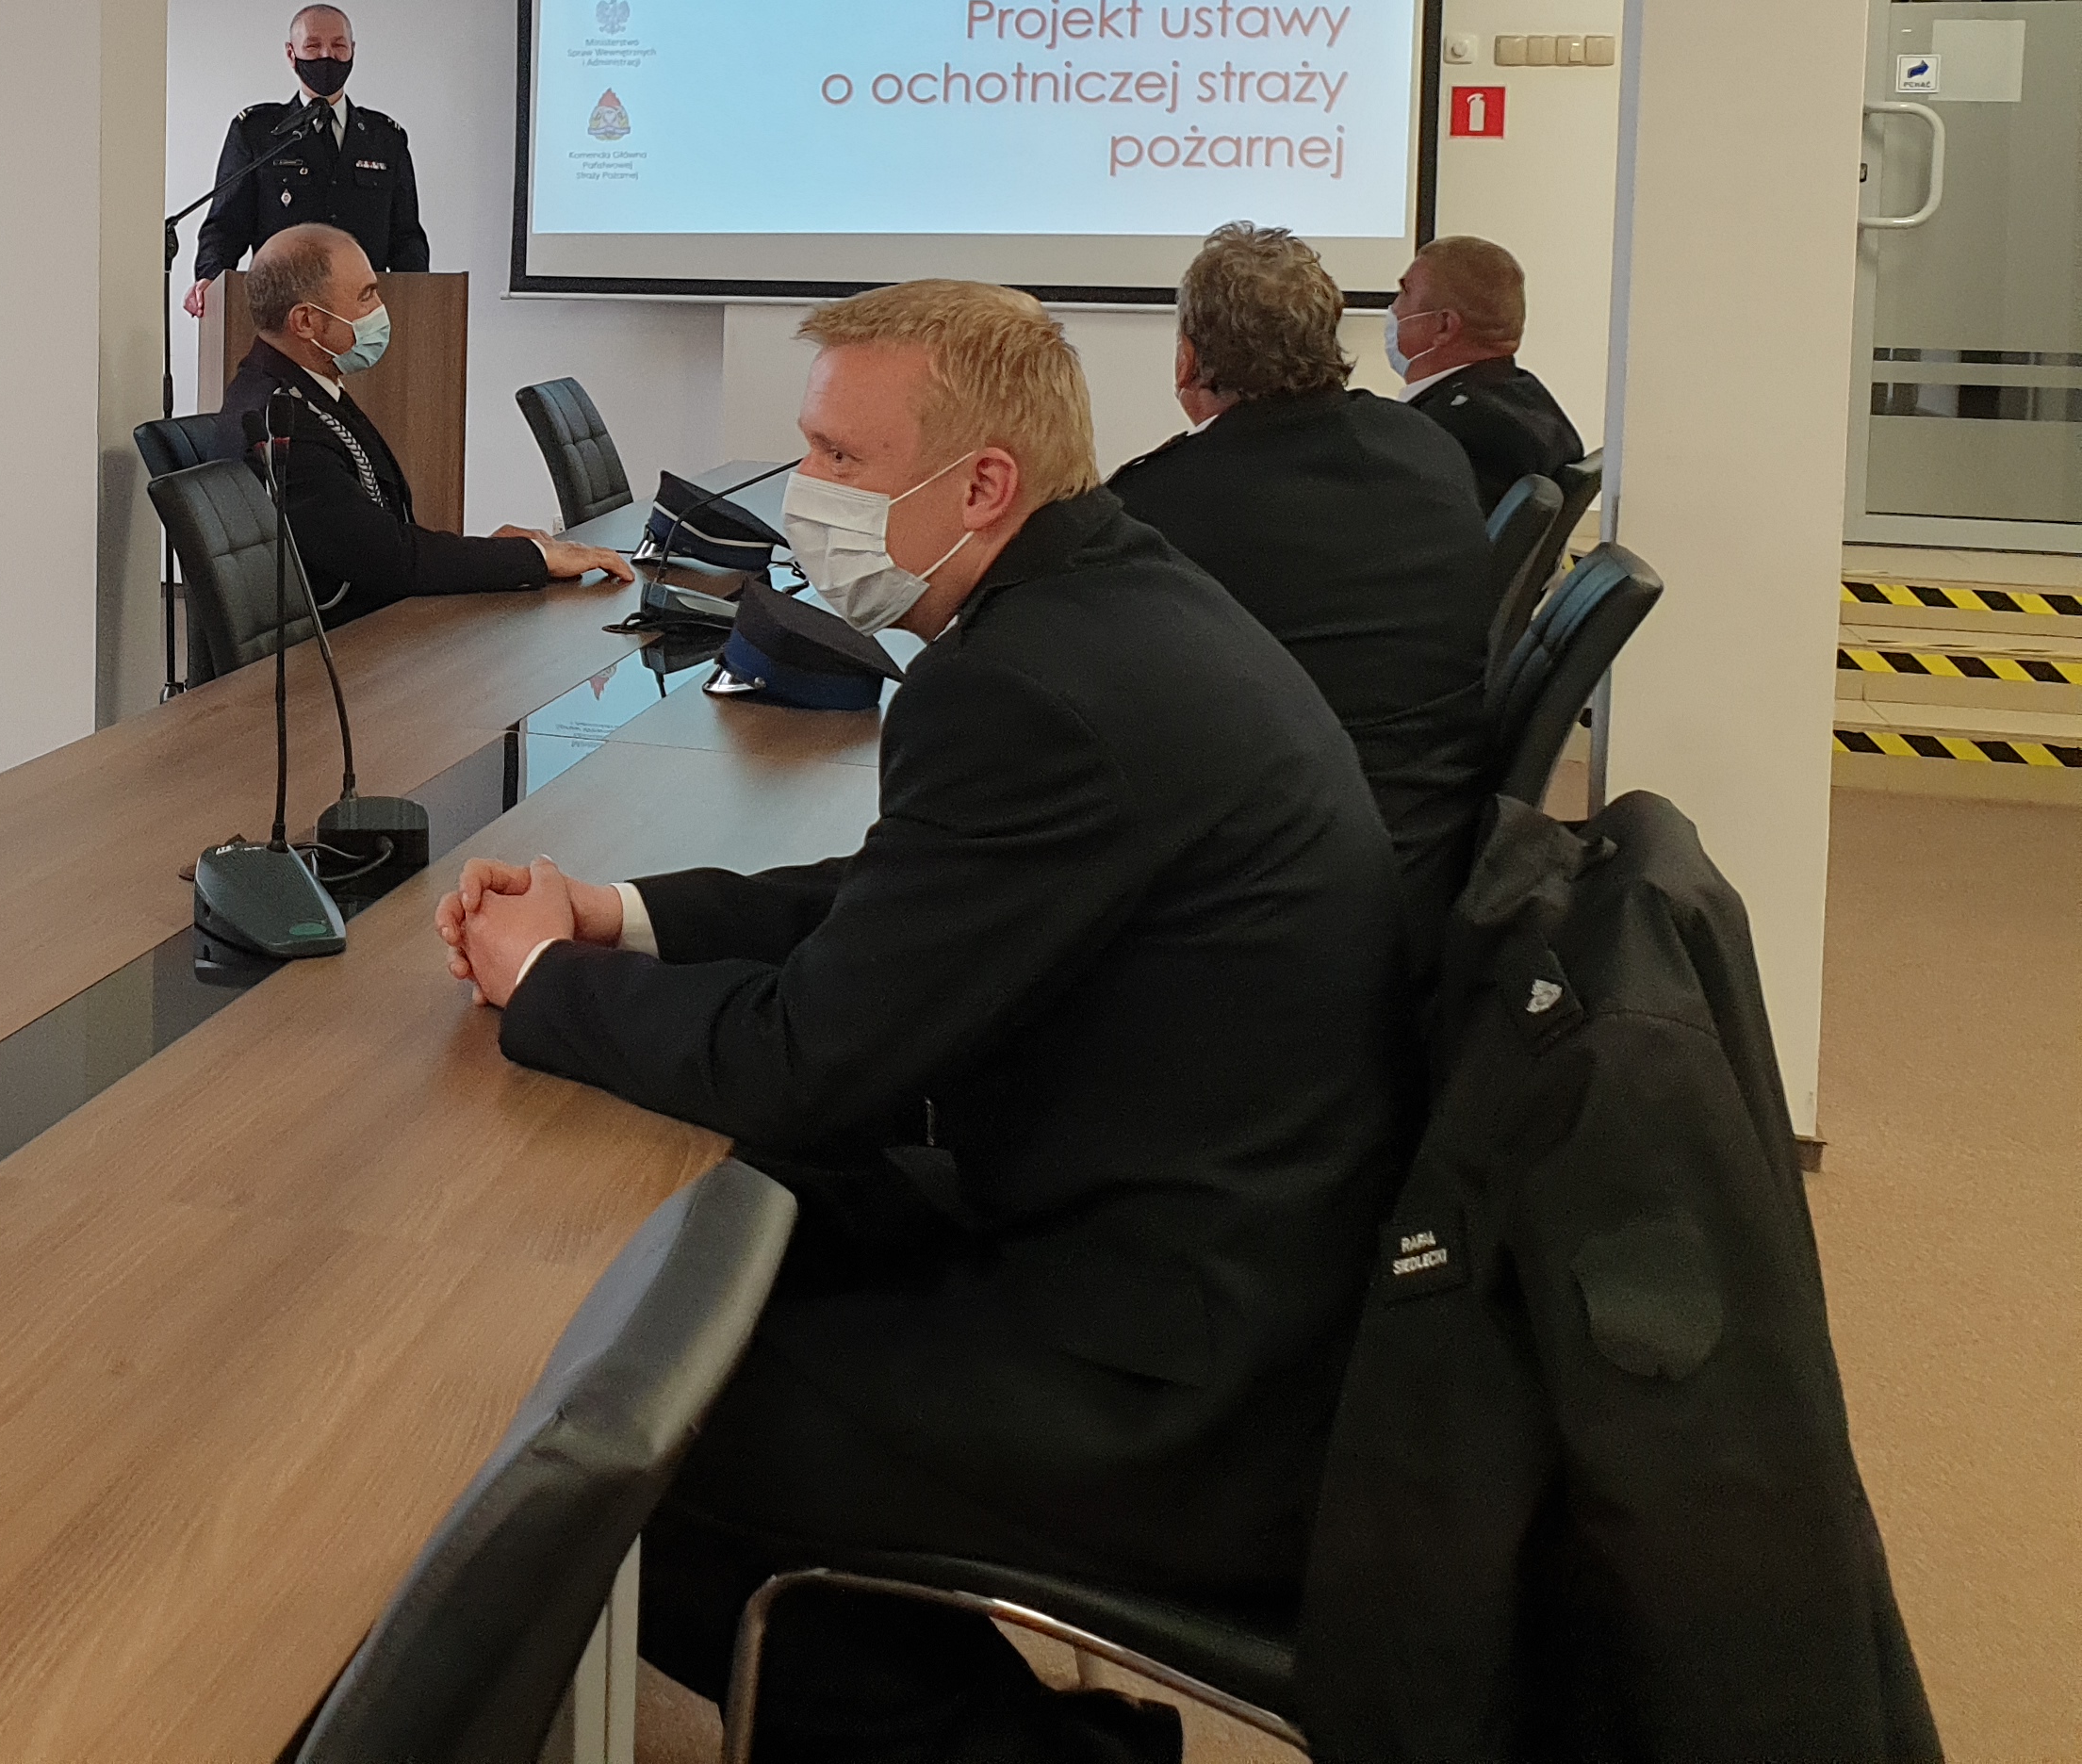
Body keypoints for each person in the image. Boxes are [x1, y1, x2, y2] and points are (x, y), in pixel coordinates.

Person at [436, 282, 1405, 1764]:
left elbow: (806, 1062)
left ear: (984, 484)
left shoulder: (1032, 684)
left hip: (1175, 1381)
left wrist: (543, 983)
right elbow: (901, 902)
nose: (805, 495)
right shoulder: (1111, 598)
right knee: (719, 1266)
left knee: (626, 1444)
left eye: (840, 458)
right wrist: (617, 914)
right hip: (1225, 1255)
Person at [1112, 223, 1495, 977]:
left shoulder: (1155, 515)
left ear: (1188, 357)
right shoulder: (1426, 446)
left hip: (1271, 897)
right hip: (1433, 848)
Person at [216, 224, 631, 620]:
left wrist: (491, 553)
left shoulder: (302, 386)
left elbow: (386, 538)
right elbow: (387, 558)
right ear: (306, 321)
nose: (380, 310)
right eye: (366, 296)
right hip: (352, 644)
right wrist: (532, 558)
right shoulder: (281, 418)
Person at [182, 2, 428, 316]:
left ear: (352, 51)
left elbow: (406, 237)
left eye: (338, 46)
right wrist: (211, 280)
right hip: (280, 310)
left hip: (363, 312)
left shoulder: (385, 139)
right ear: (291, 53)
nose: (327, 56)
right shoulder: (258, 132)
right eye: (313, 46)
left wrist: (417, 300)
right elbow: (226, 226)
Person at [1387, 233, 1585, 512]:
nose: (1394, 309)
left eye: (1404, 293)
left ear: (1444, 326)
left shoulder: (1445, 432)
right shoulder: (1528, 396)